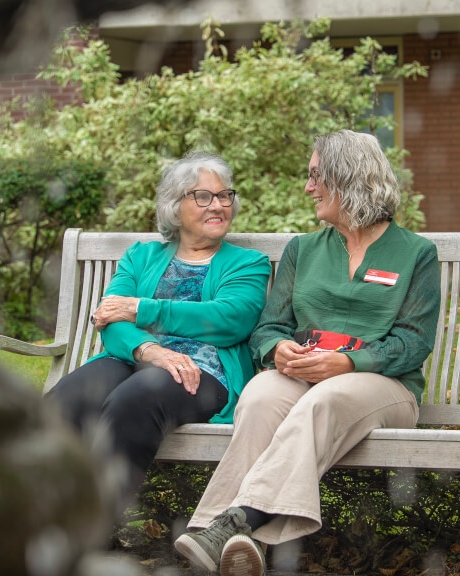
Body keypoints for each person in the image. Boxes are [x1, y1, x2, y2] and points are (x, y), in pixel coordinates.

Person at [174, 131, 440, 576]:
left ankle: (228, 524)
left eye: (316, 175)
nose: (308, 186)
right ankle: (229, 541)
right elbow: (270, 327)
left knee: (325, 400)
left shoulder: (415, 253)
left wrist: (349, 362)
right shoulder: (303, 249)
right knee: (259, 396)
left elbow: (412, 343)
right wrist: (277, 349)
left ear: (348, 177)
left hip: (385, 386)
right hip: (302, 373)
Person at [45, 151, 270, 509]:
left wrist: (140, 308)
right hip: (134, 358)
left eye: (225, 195)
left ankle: (93, 524)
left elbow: (229, 319)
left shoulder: (248, 263)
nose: (218, 205)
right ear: (174, 206)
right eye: (203, 196)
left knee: (133, 401)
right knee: (67, 398)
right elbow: (110, 320)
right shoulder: (140, 257)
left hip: (202, 371)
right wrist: (152, 351)